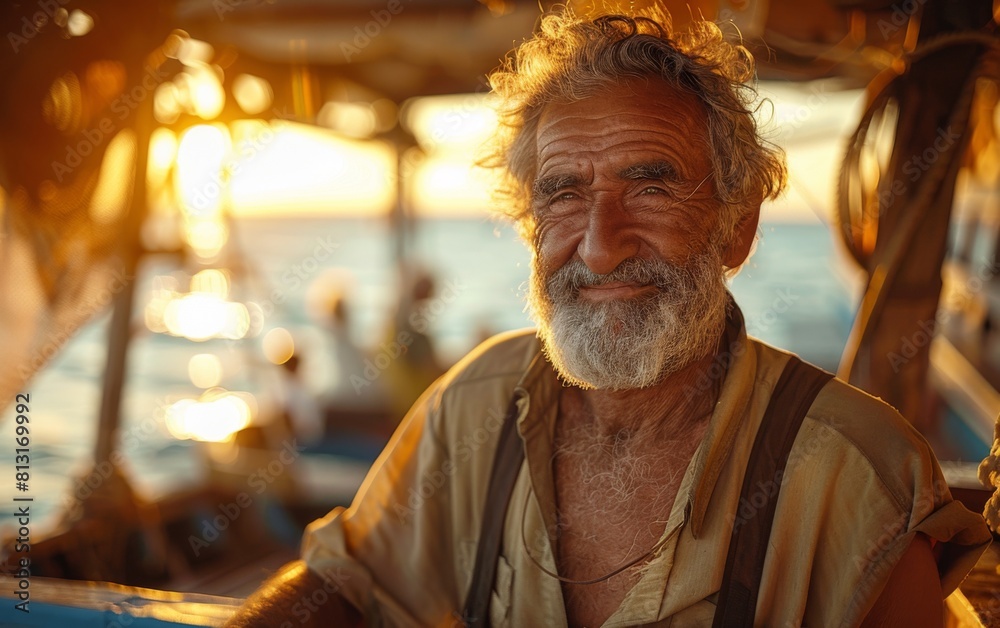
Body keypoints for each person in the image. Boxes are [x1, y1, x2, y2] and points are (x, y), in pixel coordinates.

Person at [225, 9, 992, 627]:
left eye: (650, 186)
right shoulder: (477, 404)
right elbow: (347, 585)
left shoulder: (855, 471)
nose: (597, 247)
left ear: (737, 227)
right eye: (562, 193)